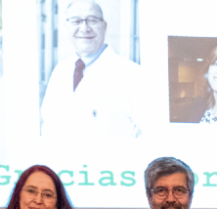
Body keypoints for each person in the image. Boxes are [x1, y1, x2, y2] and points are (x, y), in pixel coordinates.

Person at [40, 0, 144, 139]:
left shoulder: (132, 74)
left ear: (104, 26)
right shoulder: (59, 72)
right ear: (66, 26)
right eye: (76, 21)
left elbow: (153, 133)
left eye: (92, 20)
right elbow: (48, 126)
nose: (84, 28)